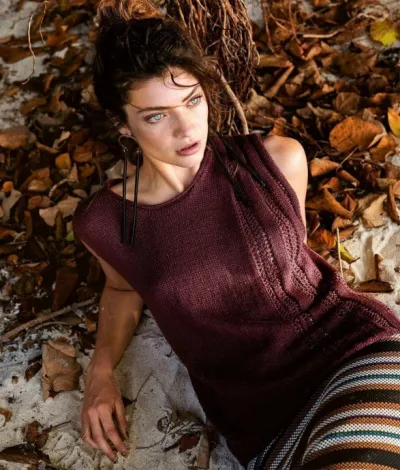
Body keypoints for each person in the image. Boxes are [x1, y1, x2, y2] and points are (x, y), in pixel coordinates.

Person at [72, 1, 400, 468]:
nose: (186, 128)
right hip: (258, 418)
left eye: (192, 100)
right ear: (122, 123)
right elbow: (122, 288)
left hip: (349, 352)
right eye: (156, 116)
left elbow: (294, 263)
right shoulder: (104, 222)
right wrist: (100, 371)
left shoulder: (278, 160)